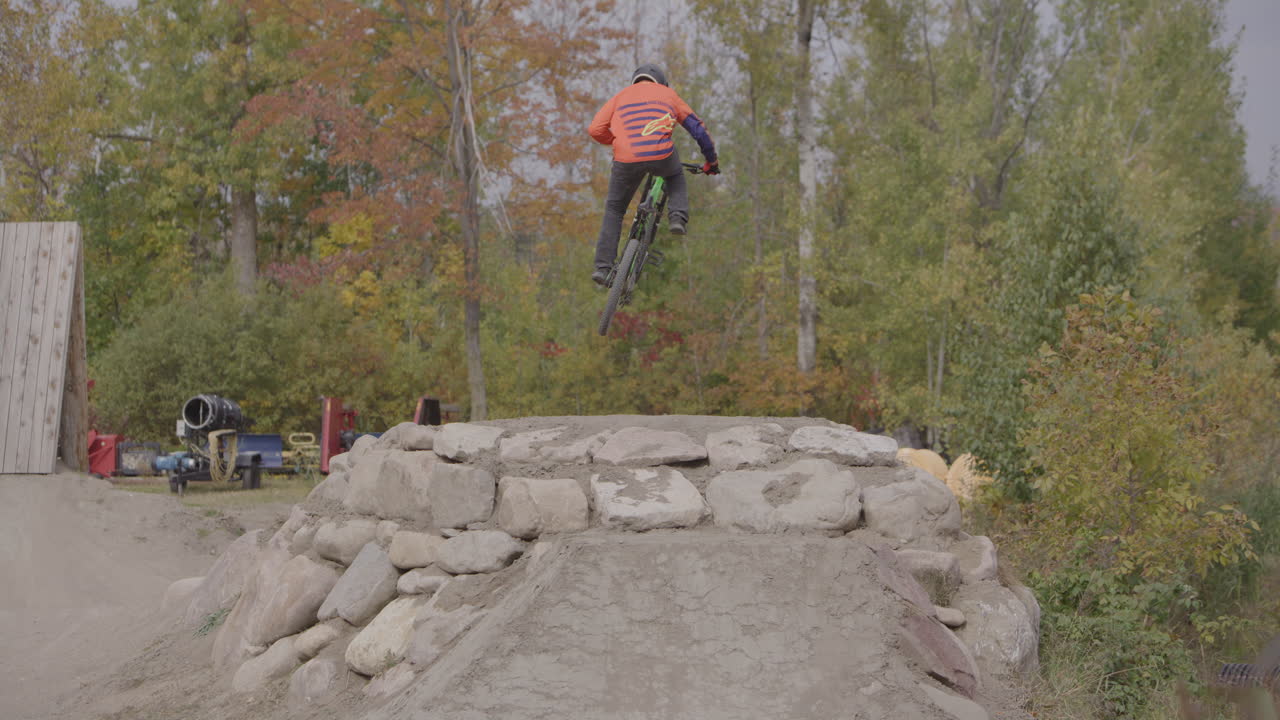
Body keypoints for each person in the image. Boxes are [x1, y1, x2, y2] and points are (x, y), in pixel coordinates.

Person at [587, 63, 719, 286]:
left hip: (625, 159)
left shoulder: (620, 96)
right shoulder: (668, 94)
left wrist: (619, 142)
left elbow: (595, 130)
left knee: (615, 209)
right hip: (661, 155)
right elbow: (698, 129)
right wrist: (711, 161)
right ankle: (677, 217)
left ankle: (603, 268)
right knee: (675, 175)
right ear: (661, 82)